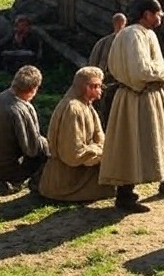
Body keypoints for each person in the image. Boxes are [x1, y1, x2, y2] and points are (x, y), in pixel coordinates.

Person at [98, 0, 164, 213]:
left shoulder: (145, 33)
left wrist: (159, 72)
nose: (161, 16)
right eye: (157, 13)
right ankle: (125, 195)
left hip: (151, 95)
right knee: (131, 143)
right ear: (146, 14)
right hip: (136, 97)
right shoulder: (132, 35)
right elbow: (141, 72)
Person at [38, 66, 116, 203]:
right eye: (98, 86)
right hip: (67, 181)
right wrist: (102, 153)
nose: (101, 90)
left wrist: (105, 149)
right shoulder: (73, 110)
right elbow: (73, 154)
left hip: (79, 168)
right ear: (88, 87)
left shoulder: (85, 104)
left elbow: (100, 136)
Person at [0, 65, 48, 192]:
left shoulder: (0, 97)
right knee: (44, 152)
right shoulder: (20, 109)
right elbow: (32, 149)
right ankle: (37, 183)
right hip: (5, 172)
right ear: (34, 88)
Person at [88, 12, 127, 128]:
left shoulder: (125, 43)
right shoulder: (103, 43)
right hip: (108, 86)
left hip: (117, 86)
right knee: (108, 116)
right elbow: (94, 66)